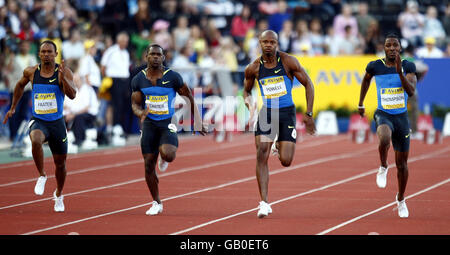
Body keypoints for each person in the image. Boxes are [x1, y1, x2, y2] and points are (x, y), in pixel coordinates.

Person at [243, 30, 316, 218]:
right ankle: (264, 202)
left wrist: (308, 113)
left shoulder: (288, 62)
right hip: (267, 113)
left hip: (286, 113)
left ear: (277, 44)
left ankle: (279, 143)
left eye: (272, 42)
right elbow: (246, 91)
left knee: (286, 161)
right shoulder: (253, 68)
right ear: (259, 43)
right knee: (261, 154)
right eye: (265, 42)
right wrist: (249, 102)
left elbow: (309, 84)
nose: (269, 45)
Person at [131, 44, 207, 215]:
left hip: (168, 122)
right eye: (153, 54)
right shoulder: (138, 79)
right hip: (150, 124)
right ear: (147, 57)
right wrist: (140, 112)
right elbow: (135, 103)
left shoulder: (173, 77)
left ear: (163, 58)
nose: (156, 57)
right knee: (148, 165)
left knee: (168, 154)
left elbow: (188, 97)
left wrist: (197, 121)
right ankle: (156, 202)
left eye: (159, 54)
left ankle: (164, 158)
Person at [2, 40, 77, 212]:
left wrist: (64, 78)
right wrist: (13, 107)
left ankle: (58, 194)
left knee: (61, 165)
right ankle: (42, 174)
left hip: (57, 123)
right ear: (39, 54)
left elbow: (72, 95)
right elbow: (19, 85)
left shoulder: (63, 72)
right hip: (39, 120)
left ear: (56, 54)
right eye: (43, 52)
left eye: (49, 52)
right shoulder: (31, 72)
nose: (46, 55)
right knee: (35, 139)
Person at [358, 33, 417, 218]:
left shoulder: (408, 65)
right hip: (383, 113)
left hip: (401, 118)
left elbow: (411, 92)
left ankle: (400, 199)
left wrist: (399, 72)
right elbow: (366, 79)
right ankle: (383, 166)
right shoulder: (375, 66)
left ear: (400, 48)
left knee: (402, 165)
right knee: (384, 137)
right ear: (383, 48)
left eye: (395, 45)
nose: (392, 48)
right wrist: (361, 103)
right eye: (388, 45)